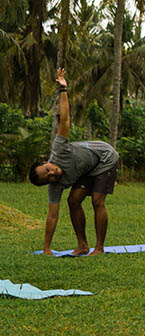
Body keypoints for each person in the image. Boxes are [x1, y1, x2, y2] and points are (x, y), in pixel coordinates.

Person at [29, 68, 120, 255]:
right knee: (73, 201)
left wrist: (63, 90)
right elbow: (52, 216)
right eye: (49, 178)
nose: (52, 174)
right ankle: (83, 245)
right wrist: (46, 248)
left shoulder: (59, 150)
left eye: (48, 170)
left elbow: (65, 120)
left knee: (97, 201)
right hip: (87, 169)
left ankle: (99, 248)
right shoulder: (54, 187)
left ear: (47, 162)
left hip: (105, 158)